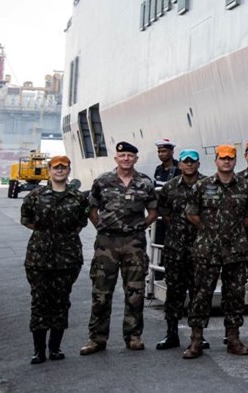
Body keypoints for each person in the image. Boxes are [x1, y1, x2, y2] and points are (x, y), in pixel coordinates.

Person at [81, 141, 158, 355]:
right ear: (116, 158)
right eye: (122, 155)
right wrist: (103, 228)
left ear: (136, 159)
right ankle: (96, 338)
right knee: (101, 293)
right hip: (107, 244)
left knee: (135, 291)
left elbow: (153, 211)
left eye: (130, 156)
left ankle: (133, 336)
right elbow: (92, 208)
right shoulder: (102, 181)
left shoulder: (144, 183)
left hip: (134, 244)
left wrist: (138, 227)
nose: (126, 159)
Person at [182, 144, 248, 358]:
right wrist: (211, 229)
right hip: (208, 249)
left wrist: (233, 230)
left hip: (236, 250)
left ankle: (233, 339)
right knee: (201, 295)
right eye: (223, 158)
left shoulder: (245, 188)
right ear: (215, 160)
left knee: (234, 296)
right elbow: (191, 213)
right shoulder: (202, 186)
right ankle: (196, 340)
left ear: (235, 161)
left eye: (230, 158)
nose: (227, 161)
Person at [20, 155, 88, 364]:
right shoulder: (35, 196)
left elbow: (81, 222)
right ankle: (39, 351)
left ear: (68, 171)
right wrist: (47, 234)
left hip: (67, 259)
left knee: (61, 302)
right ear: (49, 169)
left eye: (64, 168)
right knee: (39, 303)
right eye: (56, 167)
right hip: (39, 259)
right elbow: (26, 219)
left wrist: (62, 236)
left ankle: (55, 348)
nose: (60, 171)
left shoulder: (77, 198)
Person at [154, 149, 210, 351]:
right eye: (185, 161)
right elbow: (165, 214)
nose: (188, 164)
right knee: (174, 292)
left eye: (192, 161)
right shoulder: (169, 188)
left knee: (199, 293)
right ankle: (171, 333)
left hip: (200, 247)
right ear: (179, 165)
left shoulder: (208, 186)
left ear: (198, 164)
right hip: (175, 248)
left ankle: (199, 335)